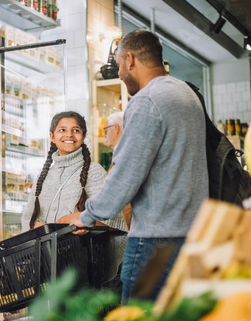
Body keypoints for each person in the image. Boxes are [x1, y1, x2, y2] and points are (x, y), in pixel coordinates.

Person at [71, 30, 209, 304]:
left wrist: (86, 217)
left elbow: (126, 174)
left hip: (155, 242)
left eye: (120, 65)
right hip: (192, 238)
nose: (120, 73)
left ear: (130, 59)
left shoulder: (147, 101)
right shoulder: (186, 94)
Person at [21, 111, 128, 282]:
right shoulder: (42, 177)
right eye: (62, 130)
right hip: (46, 267)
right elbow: (28, 220)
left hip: (84, 267)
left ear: (83, 136)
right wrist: (36, 228)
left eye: (76, 130)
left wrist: (87, 222)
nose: (69, 134)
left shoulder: (94, 171)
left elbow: (115, 221)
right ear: (52, 136)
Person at [105, 111, 132, 230]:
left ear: (115, 128)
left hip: (127, 228)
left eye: (106, 130)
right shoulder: (125, 151)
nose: (105, 135)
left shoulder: (125, 154)